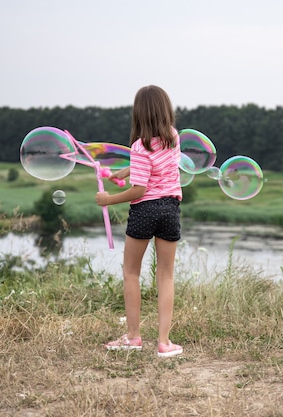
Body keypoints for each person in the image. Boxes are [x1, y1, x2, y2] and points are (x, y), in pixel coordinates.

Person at [95, 85, 183, 358]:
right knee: (165, 275)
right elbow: (152, 163)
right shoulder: (173, 137)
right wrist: (122, 171)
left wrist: (109, 199)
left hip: (145, 210)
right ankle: (164, 343)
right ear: (165, 109)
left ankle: (133, 337)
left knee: (132, 272)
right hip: (170, 208)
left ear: (139, 114)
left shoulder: (138, 145)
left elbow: (139, 190)